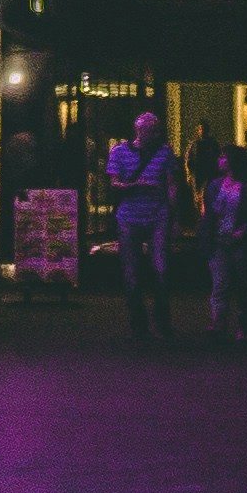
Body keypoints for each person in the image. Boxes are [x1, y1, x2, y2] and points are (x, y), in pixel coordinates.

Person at [105, 109, 182, 339]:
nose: (157, 134)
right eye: (152, 130)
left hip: (157, 216)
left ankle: (161, 320)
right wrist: (135, 186)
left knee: (161, 269)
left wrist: (174, 216)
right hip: (129, 216)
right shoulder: (119, 152)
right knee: (131, 274)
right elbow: (114, 183)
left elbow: (171, 185)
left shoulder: (165, 153)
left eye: (157, 129)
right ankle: (139, 322)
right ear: (140, 131)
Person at [202, 141, 247, 343]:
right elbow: (209, 213)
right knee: (220, 284)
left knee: (244, 284)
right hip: (219, 240)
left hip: (241, 241)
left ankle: (242, 326)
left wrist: (245, 229)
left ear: (234, 161)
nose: (220, 160)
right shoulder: (215, 184)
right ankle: (218, 323)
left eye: (224, 157)